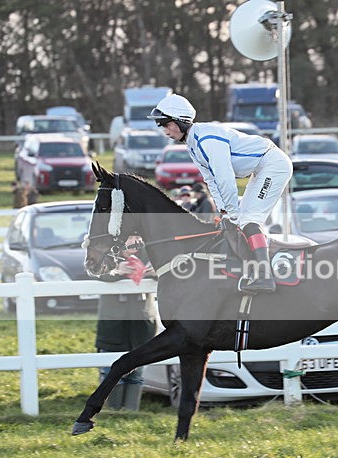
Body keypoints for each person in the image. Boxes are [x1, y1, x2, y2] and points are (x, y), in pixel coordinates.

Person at [149, 93, 293, 293]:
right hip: (260, 168)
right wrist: (224, 212)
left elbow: (225, 179)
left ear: (180, 121)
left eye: (165, 124)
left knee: (249, 220)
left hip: (273, 164)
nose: (163, 130)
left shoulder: (207, 139)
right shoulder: (192, 144)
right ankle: (252, 270)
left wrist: (232, 214)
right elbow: (211, 181)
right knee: (239, 220)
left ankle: (265, 276)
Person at [96, 235, 158, 411]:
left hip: (142, 323)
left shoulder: (153, 250)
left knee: (137, 373)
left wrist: (157, 272)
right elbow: (92, 270)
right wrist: (116, 272)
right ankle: (112, 413)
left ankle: (131, 414)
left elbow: (173, 272)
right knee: (110, 371)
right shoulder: (105, 251)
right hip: (113, 324)